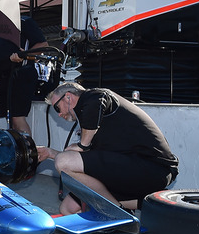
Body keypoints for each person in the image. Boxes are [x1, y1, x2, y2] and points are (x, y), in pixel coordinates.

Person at [37, 82, 178, 215]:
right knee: (68, 208)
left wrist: (82, 145)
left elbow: (98, 99)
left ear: (68, 97)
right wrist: (50, 153)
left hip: (152, 167)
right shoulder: (93, 120)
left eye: (57, 108)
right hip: (130, 169)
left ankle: (113, 211)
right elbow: (87, 162)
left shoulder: (94, 96)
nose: (59, 114)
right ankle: (137, 208)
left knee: (63, 161)